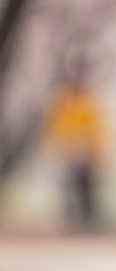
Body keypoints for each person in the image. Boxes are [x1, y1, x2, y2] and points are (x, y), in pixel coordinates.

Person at [43, 70, 108, 228]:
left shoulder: (89, 101)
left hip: (86, 153)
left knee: (86, 189)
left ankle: (88, 222)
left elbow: (97, 128)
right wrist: (59, 148)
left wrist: (95, 153)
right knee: (69, 187)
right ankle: (72, 222)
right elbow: (53, 127)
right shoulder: (62, 101)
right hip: (68, 152)